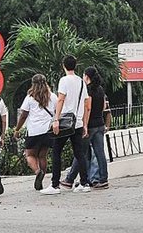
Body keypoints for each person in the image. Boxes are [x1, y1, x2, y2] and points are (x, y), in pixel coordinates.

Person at [41, 55, 91, 195]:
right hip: (78, 122)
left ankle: (55, 184)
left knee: (56, 151)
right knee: (79, 153)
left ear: (64, 66)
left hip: (65, 123)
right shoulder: (81, 82)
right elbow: (87, 104)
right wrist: (85, 124)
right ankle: (84, 183)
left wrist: (56, 119)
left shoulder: (64, 80)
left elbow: (61, 100)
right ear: (75, 66)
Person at [60, 67, 109, 189]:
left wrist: (84, 125)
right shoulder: (101, 90)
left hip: (90, 125)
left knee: (80, 153)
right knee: (99, 153)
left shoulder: (89, 90)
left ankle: (70, 179)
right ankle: (102, 179)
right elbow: (103, 107)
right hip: (100, 124)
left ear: (86, 76)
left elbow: (88, 107)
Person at [13, 74, 57, 191]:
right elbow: (58, 112)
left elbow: (23, 115)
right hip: (48, 131)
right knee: (42, 156)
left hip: (33, 132)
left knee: (30, 155)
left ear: (33, 84)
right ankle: (41, 176)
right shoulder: (52, 97)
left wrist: (17, 129)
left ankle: (38, 172)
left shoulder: (29, 98)